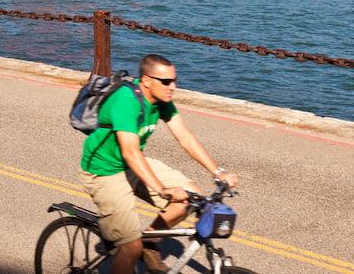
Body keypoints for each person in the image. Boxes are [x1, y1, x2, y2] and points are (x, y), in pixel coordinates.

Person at [80, 54, 240, 274]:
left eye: (174, 80)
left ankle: (149, 241)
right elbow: (130, 152)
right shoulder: (126, 101)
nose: (172, 87)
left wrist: (218, 171)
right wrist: (162, 189)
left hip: (133, 165)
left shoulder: (161, 101)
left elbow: (184, 136)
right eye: (166, 82)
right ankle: (138, 247)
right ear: (146, 80)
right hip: (104, 171)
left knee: (192, 198)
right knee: (130, 247)